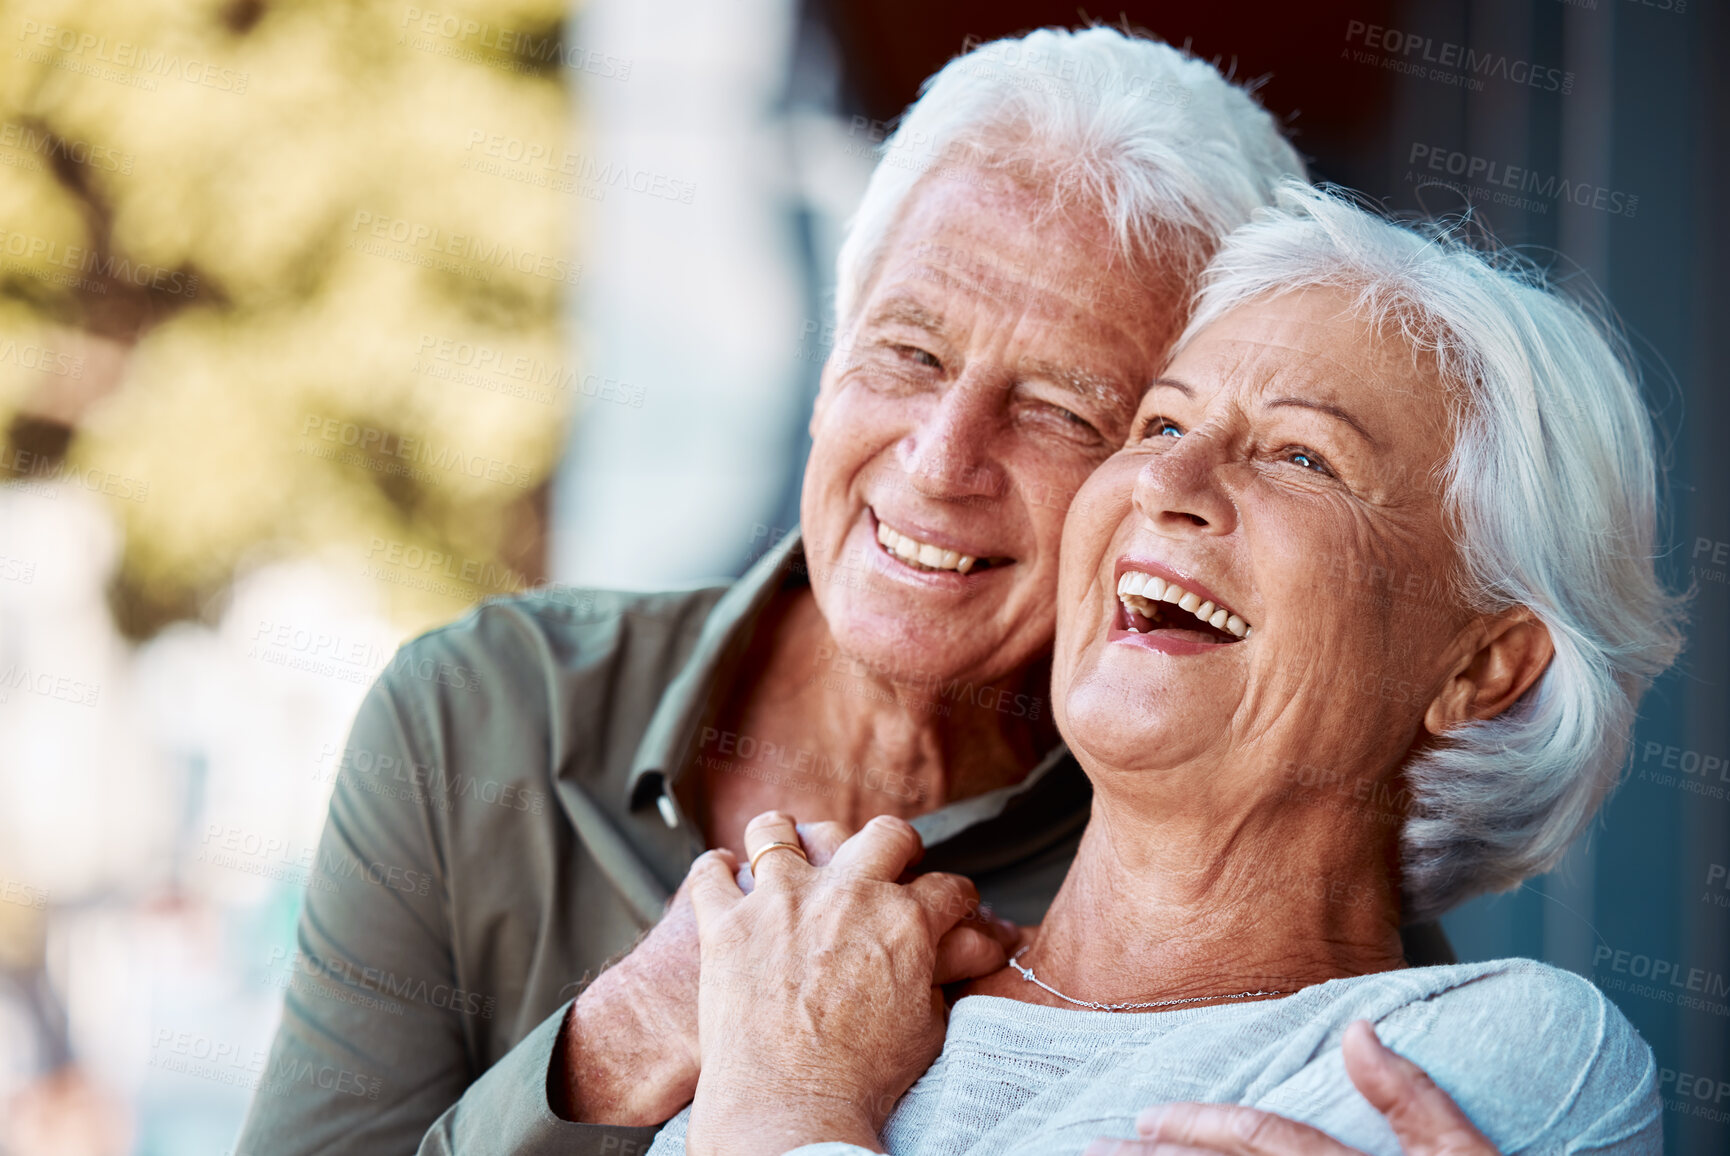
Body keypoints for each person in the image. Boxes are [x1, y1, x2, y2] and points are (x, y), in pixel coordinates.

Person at [236, 28, 1363, 1156]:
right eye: (909, 354)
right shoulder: (478, 712)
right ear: (828, 370)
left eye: (1063, 412)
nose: (936, 459)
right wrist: (619, 1036)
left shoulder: (1247, 865)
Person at [647, 182, 1684, 1156]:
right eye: (1161, 424)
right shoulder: (832, 979)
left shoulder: (1505, 1055)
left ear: (1482, 668)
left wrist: (785, 1101)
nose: (1167, 483)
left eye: (1301, 457)